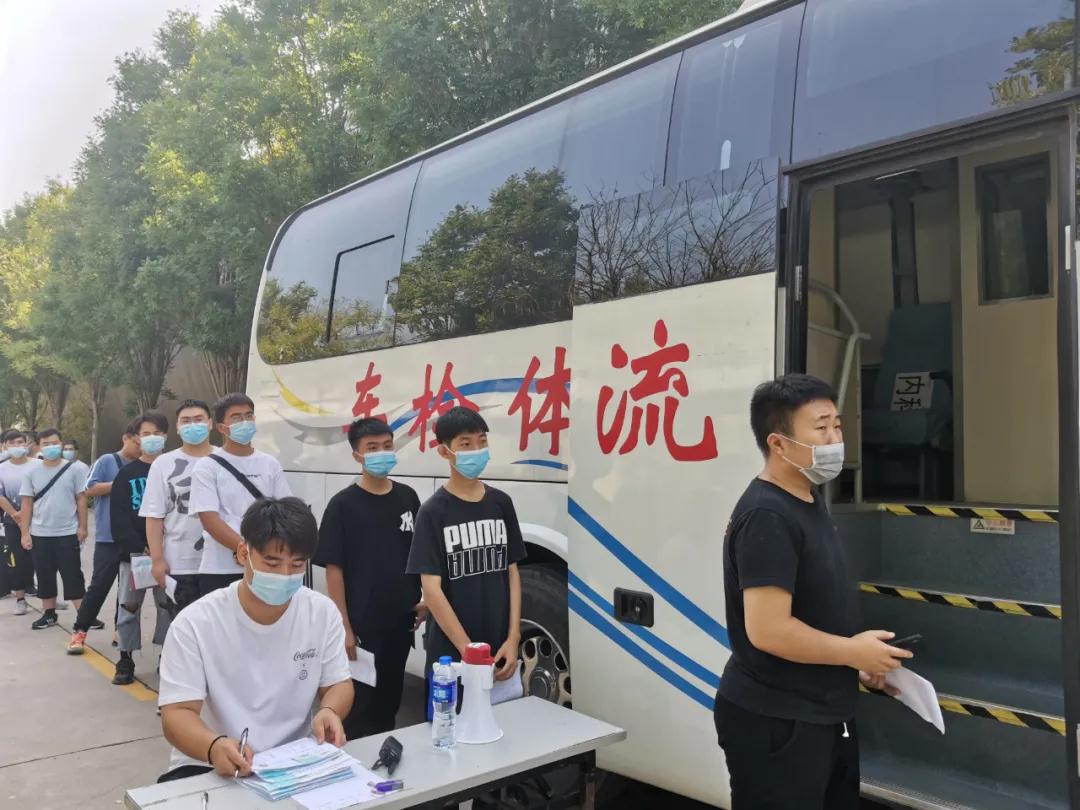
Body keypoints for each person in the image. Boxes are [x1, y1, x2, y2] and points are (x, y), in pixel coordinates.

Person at [713, 375, 914, 810]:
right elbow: (769, 630)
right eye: (821, 428)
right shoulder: (766, 515)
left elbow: (813, 608)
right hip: (777, 721)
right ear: (778, 444)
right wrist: (852, 651)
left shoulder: (806, 498)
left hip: (823, 712)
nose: (835, 439)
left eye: (837, 426)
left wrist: (856, 664)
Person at [157, 497, 353, 782]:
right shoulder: (195, 624)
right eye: (272, 563)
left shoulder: (321, 613)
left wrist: (330, 710)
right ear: (243, 553)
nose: (284, 575)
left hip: (292, 761)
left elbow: (338, 683)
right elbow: (177, 713)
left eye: (297, 565)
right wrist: (213, 746)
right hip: (209, 763)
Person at [406, 407, 527, 704]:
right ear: (444, 451)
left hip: (499, 652)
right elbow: (432, 591)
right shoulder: (433, 512)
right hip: (452, 659)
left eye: (482, 441)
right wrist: (469, 651)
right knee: (452, 727)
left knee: (504, 726)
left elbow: (512, 573)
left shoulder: (501, 503)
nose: (477, 450)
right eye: (466, 444)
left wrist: (513, 638)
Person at [316, 418, 425, 739]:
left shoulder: (408, 498)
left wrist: (424, 600)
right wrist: (344, 627)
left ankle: (381, 755)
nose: (382, 453)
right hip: (362, 628)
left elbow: (419, 554)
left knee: (389, 703)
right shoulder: (343, 505)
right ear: (357, 455)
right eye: (372, 448)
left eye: (387, 446)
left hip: (401, 623)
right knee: (359, 707)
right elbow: (333, 569)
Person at [190, 393, 291, 597]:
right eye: (236, 418)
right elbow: (209, 519)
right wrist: (245, 549)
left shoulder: (270, 464)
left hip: (265, 565)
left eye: (249, 415)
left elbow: (286, 511)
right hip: (220, 568)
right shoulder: (206, 467)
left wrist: (265, 553)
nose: (244, 422)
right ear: (222, 427)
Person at [70, 424, 142, 641]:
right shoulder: (107, 461)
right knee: (99, 586)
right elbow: (89, 489)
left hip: (136, 538)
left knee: (129, 590)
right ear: (126, 438)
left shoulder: (147, 465)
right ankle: (80, 630)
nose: (140, 447)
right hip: (108, 537)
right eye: (137, 442)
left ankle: (121, 632)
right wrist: (119, 483)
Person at [144, 399, 215, 615]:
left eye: (198, 419)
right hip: (180, 564)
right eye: (186, 421)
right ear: (177, 427)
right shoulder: (163, 464)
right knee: (184, 624)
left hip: (221, 563)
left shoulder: (224, 459)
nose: (193, 425)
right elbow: (154, 516)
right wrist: (157, 560)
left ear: (210, 423)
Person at [19, 428, 89, 629]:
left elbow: (81, 499)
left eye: (55, 443)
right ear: (39, 446)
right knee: (44, 575)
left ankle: (85, 616)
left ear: (61, 444)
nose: (51, 447)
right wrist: (25, 533)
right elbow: (26, 504)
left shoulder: (74, 469)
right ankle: (49, 614)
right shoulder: (31, 472)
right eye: (46, 444)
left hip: (68, 532)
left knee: (73, 574)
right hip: (40, 533)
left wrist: (83, 527)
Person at [0, 430, 38, 614]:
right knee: (16, 559)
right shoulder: (2, 468)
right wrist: (15, 514)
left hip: (39, 519)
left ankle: (49, 597)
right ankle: (20, 599)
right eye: (12, 443)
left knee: (43, 559)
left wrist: (29, 513)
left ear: (26, 443)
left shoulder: (38, 465)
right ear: (5, 446)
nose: (17, 446)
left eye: (20, 442)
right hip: (12, 520)